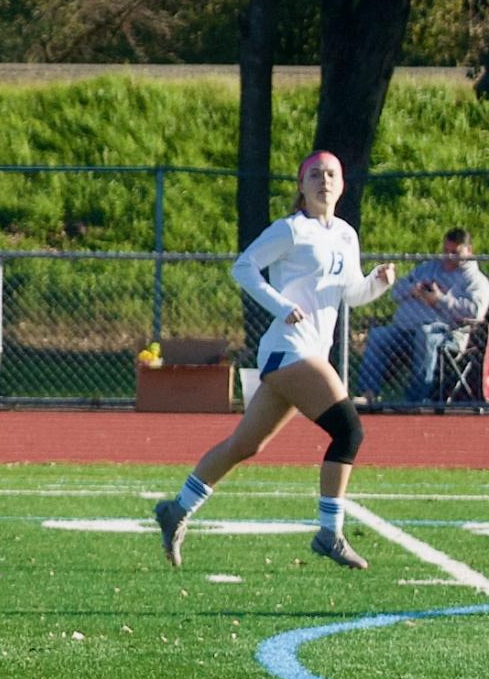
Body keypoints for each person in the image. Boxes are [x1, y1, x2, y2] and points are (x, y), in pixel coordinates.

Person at [153, 150, 395, 571]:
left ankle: (177, 509)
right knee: (349, 430)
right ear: (301, 186)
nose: (324, 180)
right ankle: (329, 533)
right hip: (289, 347)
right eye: (315, 174)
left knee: (245, 445)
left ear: (342, 184)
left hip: (306, 353)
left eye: (331, 174)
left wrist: (377, 283)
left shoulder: (345, 235)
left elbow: (350, 293)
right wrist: (281, 304)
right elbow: (243, 267)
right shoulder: (291, 230)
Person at [355, 227, 488, 403]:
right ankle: (368, 393)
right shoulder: (428, 268)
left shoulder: (476, 281)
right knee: (379, 336)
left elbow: (475, 312)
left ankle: (416, 400)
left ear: (468, 251)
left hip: (445, 334)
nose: (448, 257)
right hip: (405, 329)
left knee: (425, 335)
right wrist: (414, 289)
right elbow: (396, 292)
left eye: (455, 252)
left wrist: (439, 299)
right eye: (445, 251)